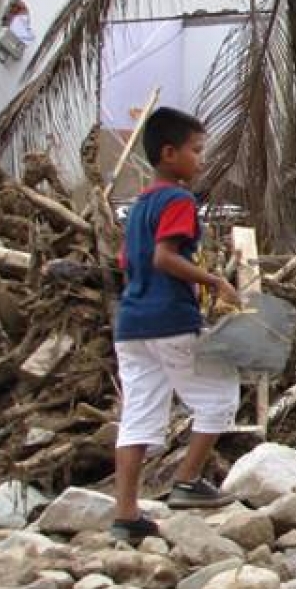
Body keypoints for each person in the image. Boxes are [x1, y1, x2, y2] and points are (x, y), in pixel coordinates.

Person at [109, 106, 243, 542]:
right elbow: (165, 257)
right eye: (196, 150)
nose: (201, 159)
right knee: (221, 395)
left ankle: (126, 514)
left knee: (140, 415)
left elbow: (129, 262)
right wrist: (216, 282)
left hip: (131, 324)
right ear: (170, 153)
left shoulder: (140, 206)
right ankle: (187, 480)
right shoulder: (179, 200)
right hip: (169, 320)